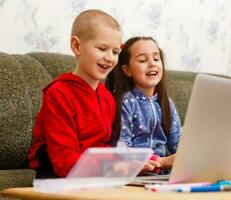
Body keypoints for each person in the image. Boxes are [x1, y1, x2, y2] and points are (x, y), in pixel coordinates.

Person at [27, 9, 123, 178]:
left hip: (92, 173)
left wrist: (125, 163)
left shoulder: (107, 97)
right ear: (76, 46)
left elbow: (104, 146)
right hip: (56, 174)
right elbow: (64, 162)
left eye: (115, 52)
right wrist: (111, 166)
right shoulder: (58, 94)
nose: (110, 58)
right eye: (102, 48)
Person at [105, 36, 181, 173]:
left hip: (163, 177)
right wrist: (161, 161)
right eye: (142, 60)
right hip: (135, 175)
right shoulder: (126, 103)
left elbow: (178, 145)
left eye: (156, 59)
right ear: (127, 70)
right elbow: (122, 150)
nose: (152, 63)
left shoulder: (167, 103)